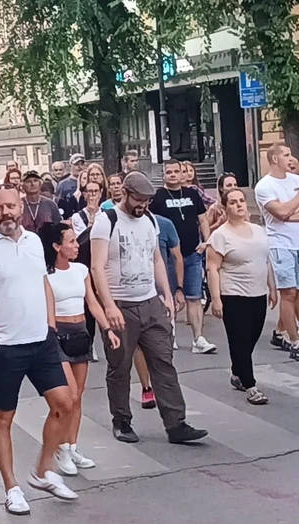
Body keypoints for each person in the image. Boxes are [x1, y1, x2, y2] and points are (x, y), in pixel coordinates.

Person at [0, 189, 78, 515]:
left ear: (19, 209)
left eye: (10, 206)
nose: (5, 213)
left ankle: (43, 471)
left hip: (41, 342)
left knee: (65, 403)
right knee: (3, 418)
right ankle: (11, 487)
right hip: (6, 348)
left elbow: (43, 283)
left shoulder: (33, 242)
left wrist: (51, 325)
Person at [90, 171, 208, 445]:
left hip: (149, 300)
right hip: (120, 303)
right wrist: (109, 306)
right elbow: (97, 266)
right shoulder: (106, 221)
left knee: (163, 361)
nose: (143, 205)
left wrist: (167, 292)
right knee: (119, 367)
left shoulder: (150, 221)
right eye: (139, 200)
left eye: (147, 201)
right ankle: (122, 420)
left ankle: (176, 423)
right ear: (126, 194)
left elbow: (156, 258)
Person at [40, 223, 120, 476]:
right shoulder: (46, 275)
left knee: (79, 396)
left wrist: (107, 329)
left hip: (80, 334)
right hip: (58, 337)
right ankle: (60, 448)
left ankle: (72, 446)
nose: (76, 246)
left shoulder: (81, 270)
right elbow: (47, 311)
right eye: (71, 241)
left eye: (76, 241)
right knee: (68, 396)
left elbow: (93, 304)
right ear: (57, 246)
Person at [207, 188, 277, 405]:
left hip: (258, 293)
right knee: (239, 340)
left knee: (252, 336)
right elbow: (212, 268)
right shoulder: (220, 235)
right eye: (233, 202)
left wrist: (272, 287)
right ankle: (251, 385)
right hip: (233, 294)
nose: (238, 205)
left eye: (241, 201)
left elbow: (266, 260)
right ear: (225, 207)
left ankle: (238, 372)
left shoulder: (258, 230)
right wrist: (216, 299)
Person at [254, 142, 299, 361]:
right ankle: (295, 341)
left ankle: (280, 332)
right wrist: (298, 199)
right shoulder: (264, 186)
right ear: (274, 159)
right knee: (288, 293)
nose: (291, 159)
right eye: (286, 155)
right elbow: (279, 212)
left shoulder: (298, 180)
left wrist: (290, 214)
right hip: (280, 244)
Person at [149, 159, 214, 355]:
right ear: (164, 175)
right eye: (168, 172)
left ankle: (198, 339)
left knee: (194, 297)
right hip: (168, 256)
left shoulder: (192, 194)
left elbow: (202, 220)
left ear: (182, 173)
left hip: (193, 253)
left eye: (176, 171)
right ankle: (170, 335)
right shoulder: (158, 197)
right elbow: (152, 224)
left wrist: (207, 242)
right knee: (168, 297)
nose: (173, 175)